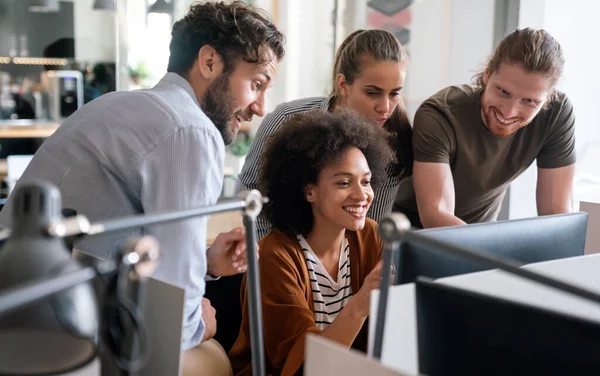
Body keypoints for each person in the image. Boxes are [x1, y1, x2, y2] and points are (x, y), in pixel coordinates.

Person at [0, 0, 285, 374]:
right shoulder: (191, 130)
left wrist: (207, 263)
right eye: (256, 84)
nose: (261, 107)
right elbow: (175, 320)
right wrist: (200, 326)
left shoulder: (116, 104)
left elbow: (116, 247)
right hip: (57, 331)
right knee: (213, 357)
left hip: (20, 304)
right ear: (209, 62)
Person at [229, 110, 391, 375]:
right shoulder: (274, 257)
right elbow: (304, 366)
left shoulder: (371, 236)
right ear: (309, 190)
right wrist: (360, 306)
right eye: (344, 182)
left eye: (366, 181)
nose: (362, 195)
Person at [239, 29, 413, 240]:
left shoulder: (396, 141)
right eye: (373, 93)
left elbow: (367, 230)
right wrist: (267, 257)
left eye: (394, 93)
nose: (385, 107)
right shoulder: (286, 119)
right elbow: (249, 195)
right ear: (343, 85)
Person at [394, 27, 575, 228]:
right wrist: (490, 255)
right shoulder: (440, 115)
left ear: (548, 97)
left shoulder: (556, 114)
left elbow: (556, 215)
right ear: (488, 73)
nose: (509, 112)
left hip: (479, 237)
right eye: (503, 92)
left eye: (529, 101)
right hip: (411, 235)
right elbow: (437, 215)